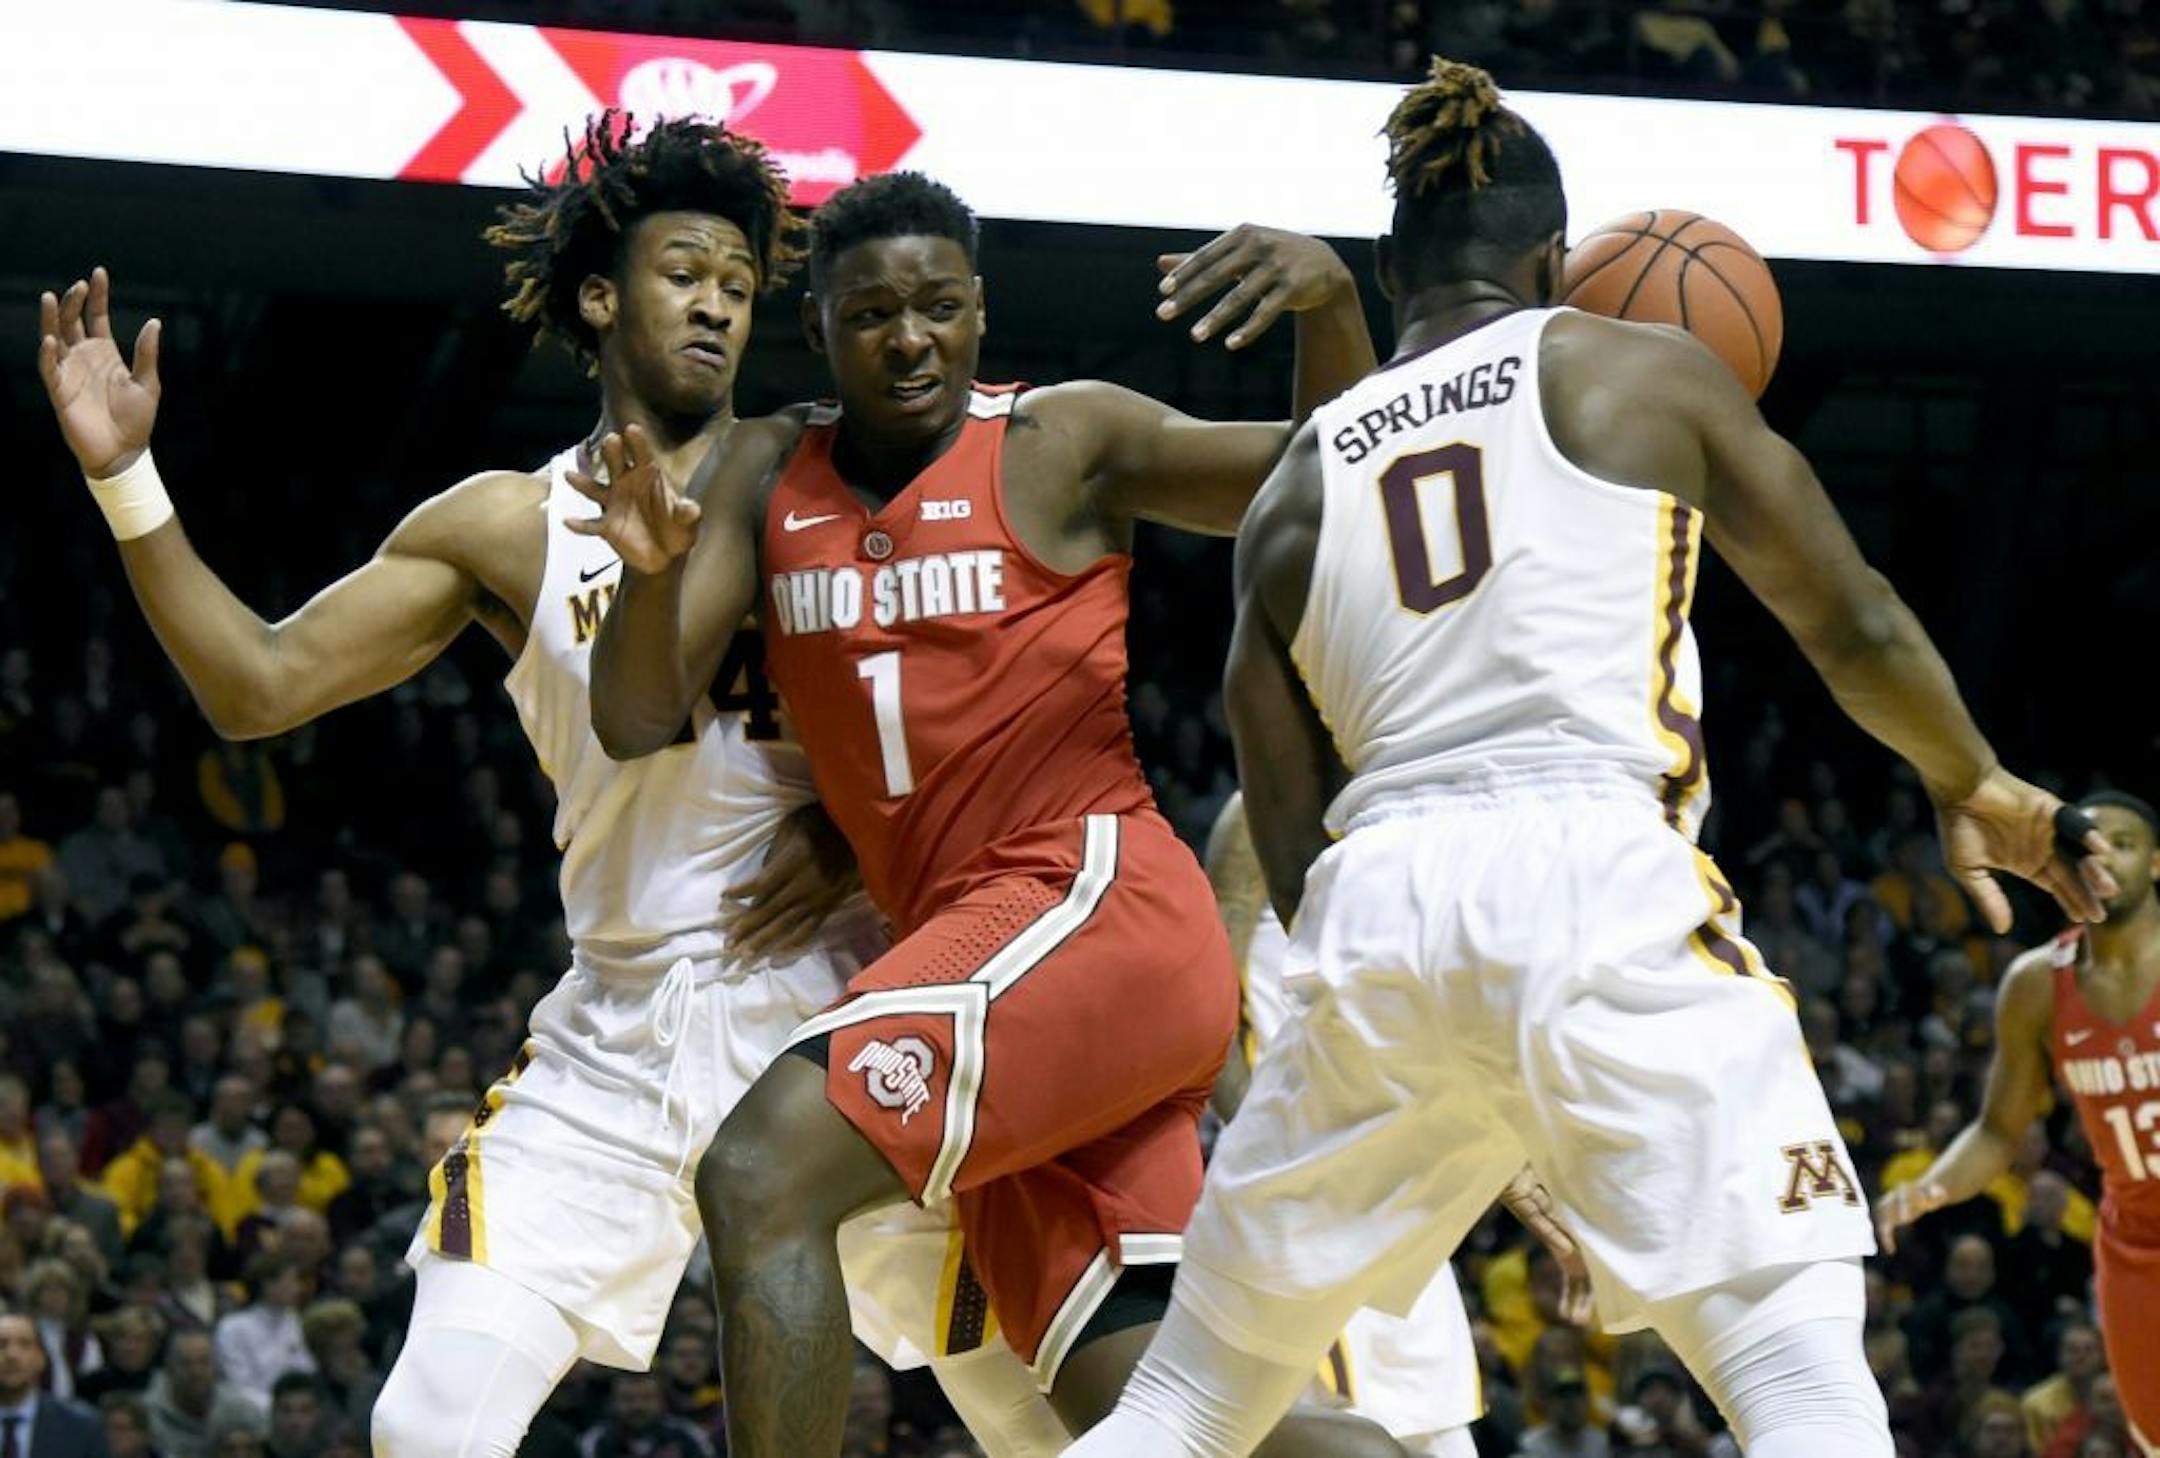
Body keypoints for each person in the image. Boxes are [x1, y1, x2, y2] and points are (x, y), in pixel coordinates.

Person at [1066, 55, 2115, 1458]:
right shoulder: (1637, 371)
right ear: (1558, 258)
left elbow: (1288, 815)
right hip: (1590, 869)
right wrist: (1974, 777)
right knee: (1800, 1378)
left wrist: (1427, 1025)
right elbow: (1850, 614)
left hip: (1373, 907)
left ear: (1393, 270)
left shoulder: (1295, 483)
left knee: (1190, 1405)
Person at [35, 114, 1065, 1458]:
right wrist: (126, 478)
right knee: (427, 1421)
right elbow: (258, 687)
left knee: (1037, 1412)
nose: (715, 301)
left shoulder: (832, 468)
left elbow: (996, 691)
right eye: (685, 269)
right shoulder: (505, 524)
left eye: (742, 286)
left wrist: (861, 823)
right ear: (599, 294)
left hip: (843, 1005)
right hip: (620, 1030)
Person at [582, 171, 1385, 1454]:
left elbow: (1342, 490)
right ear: (820, 330)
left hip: (1091, 904)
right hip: (1006, 968)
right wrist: (646, 574)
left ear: (979, 310)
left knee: (759, 1175)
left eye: (940, 308)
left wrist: (1333, 307)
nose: (912, 340)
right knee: (1179, 1427)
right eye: (874, 315)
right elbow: (632, 716)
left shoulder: (1060, 440)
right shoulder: (764, 468)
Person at [1204, 793, 1592, 1458]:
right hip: (1307, 1195)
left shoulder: (1445, 826)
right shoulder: (1262, 810)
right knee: (1346, 1424)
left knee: (1437, 1428)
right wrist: (1268, 1141)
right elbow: (1205, 1010)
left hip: (1404, 1197)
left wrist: (1539, 1198)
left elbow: (1461, 1062)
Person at [1880, 790, 2160, 1450]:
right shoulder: (2037, 984)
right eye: (2088, 844)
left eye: (2124, 843)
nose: (2106, 858)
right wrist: (1931, 1188)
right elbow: (1999, 1132)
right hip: (2135, 1240)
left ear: (2156, 863)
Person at [0, 1313, 110, 1458]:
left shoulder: (81, 1427)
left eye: (24, 1344)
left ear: (41, 1359)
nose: (12, 1355)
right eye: (1, 1345)